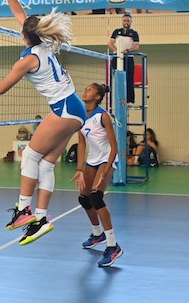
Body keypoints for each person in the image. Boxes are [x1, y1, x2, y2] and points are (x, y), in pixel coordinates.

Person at [0, 0, 85, 245]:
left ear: (23, 35)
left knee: (29, 157)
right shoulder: (44, 43)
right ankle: (40, 219)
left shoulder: (26, 60)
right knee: (47, 163)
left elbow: (0, 89)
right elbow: (21, 14)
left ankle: (23, 210)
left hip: (63, 109)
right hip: (75, 108)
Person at [73, 82, 123, 267]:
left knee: (95, 197)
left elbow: (115, 146)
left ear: (97, 97)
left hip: (106, 159)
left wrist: (106, 170)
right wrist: (79, 170)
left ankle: (113, 245)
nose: (85, 90)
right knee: (84, 199)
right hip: (92, 160)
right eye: (85, 88)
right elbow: (81, 144)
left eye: (90, 89)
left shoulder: (103, 116)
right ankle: (97, 234)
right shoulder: (79, 116)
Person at [108, 12, 139, 105]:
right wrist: (117, 51)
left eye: (128, 21)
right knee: (118, 78)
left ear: (131, 22)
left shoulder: (134, 33)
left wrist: (127, 50)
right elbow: (110, 43)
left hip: (128, 58)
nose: (126, 22)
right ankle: (118, 99)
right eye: (124, 20)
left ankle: (130, 100)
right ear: (122, 21)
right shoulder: (116, 32)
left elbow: (136, 47)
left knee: (129, 78)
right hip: (117, 57)